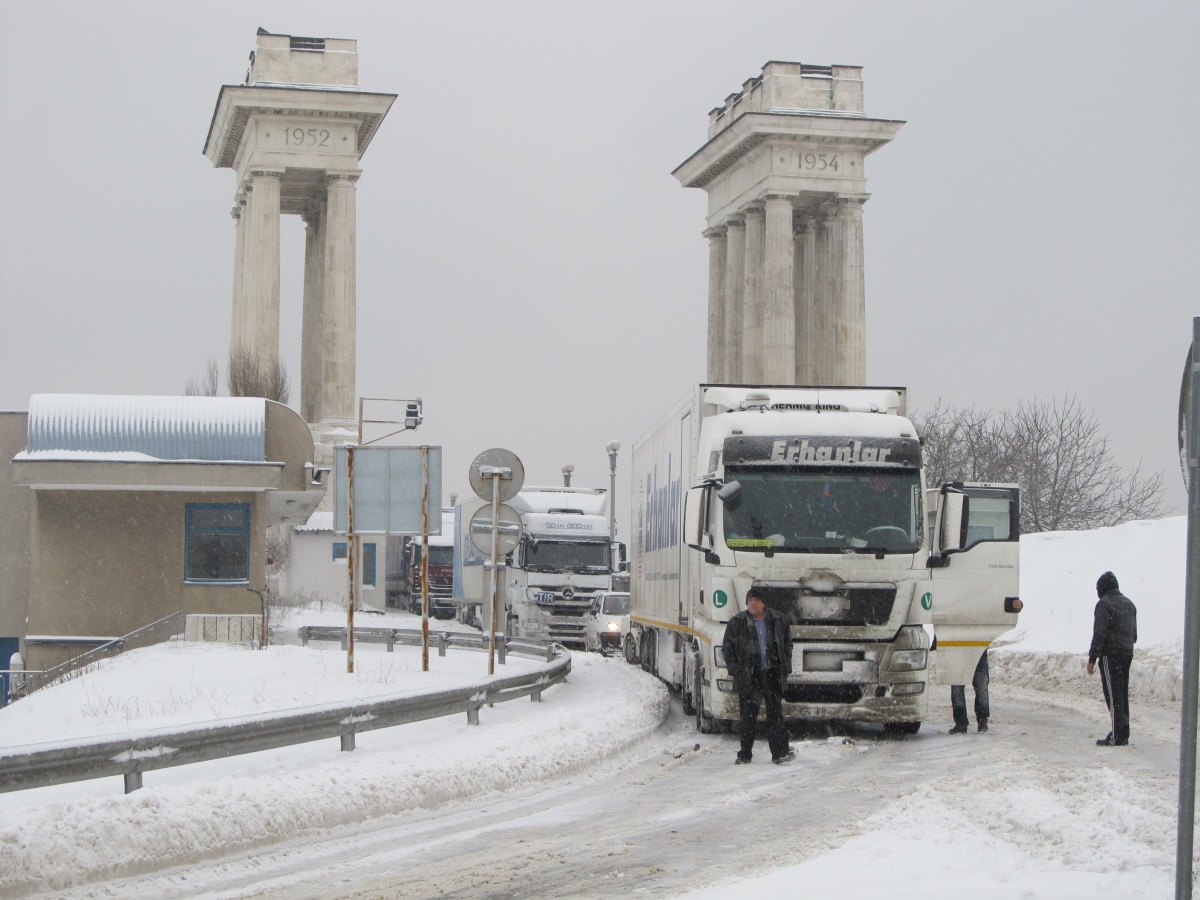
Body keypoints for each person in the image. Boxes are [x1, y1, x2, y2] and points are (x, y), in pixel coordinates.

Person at [722, 587, 795, 764]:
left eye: (755, 600)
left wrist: (784, 666)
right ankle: (745, 754)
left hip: (772, 674)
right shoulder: (737, 623)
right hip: (749, 676)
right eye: (749, 600)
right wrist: (736, 670)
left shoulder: (778, 620)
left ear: (763, 602)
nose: (752, 603)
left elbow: (787, 644)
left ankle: (779, 754)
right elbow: (728, 649)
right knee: (748, 718)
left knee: (775, 717)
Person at [1088, 570, 1137, 746]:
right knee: (1121, 693)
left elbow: (1099, 634)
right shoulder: (1129, 604)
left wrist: (1092, 658)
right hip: (1127, 651)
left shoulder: (1104, 604)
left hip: (1111, 653)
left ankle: (1117, 736)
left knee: (1113, 693)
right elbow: (1134, 634)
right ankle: (1122, 732)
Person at [947, 649, 990, 734]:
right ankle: (962, 723)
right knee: (959, 690)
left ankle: (980, 721)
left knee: (979, 689)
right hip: (963, 655)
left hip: (975, 654)